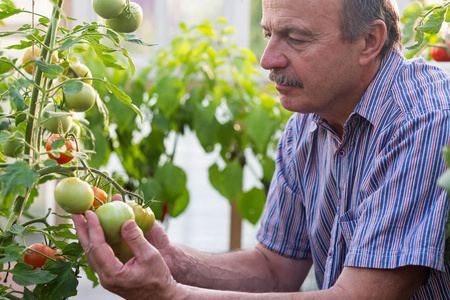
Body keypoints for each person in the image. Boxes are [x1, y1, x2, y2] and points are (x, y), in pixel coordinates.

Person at [73, 0, 450, 298]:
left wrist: (172, 296)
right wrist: (172, 260)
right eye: (268, 33)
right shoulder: (306, 124)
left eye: (296, 38)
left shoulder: (424, 120)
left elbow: (359, 297)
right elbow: (275, 268)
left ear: (369, 41)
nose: (268, 58)